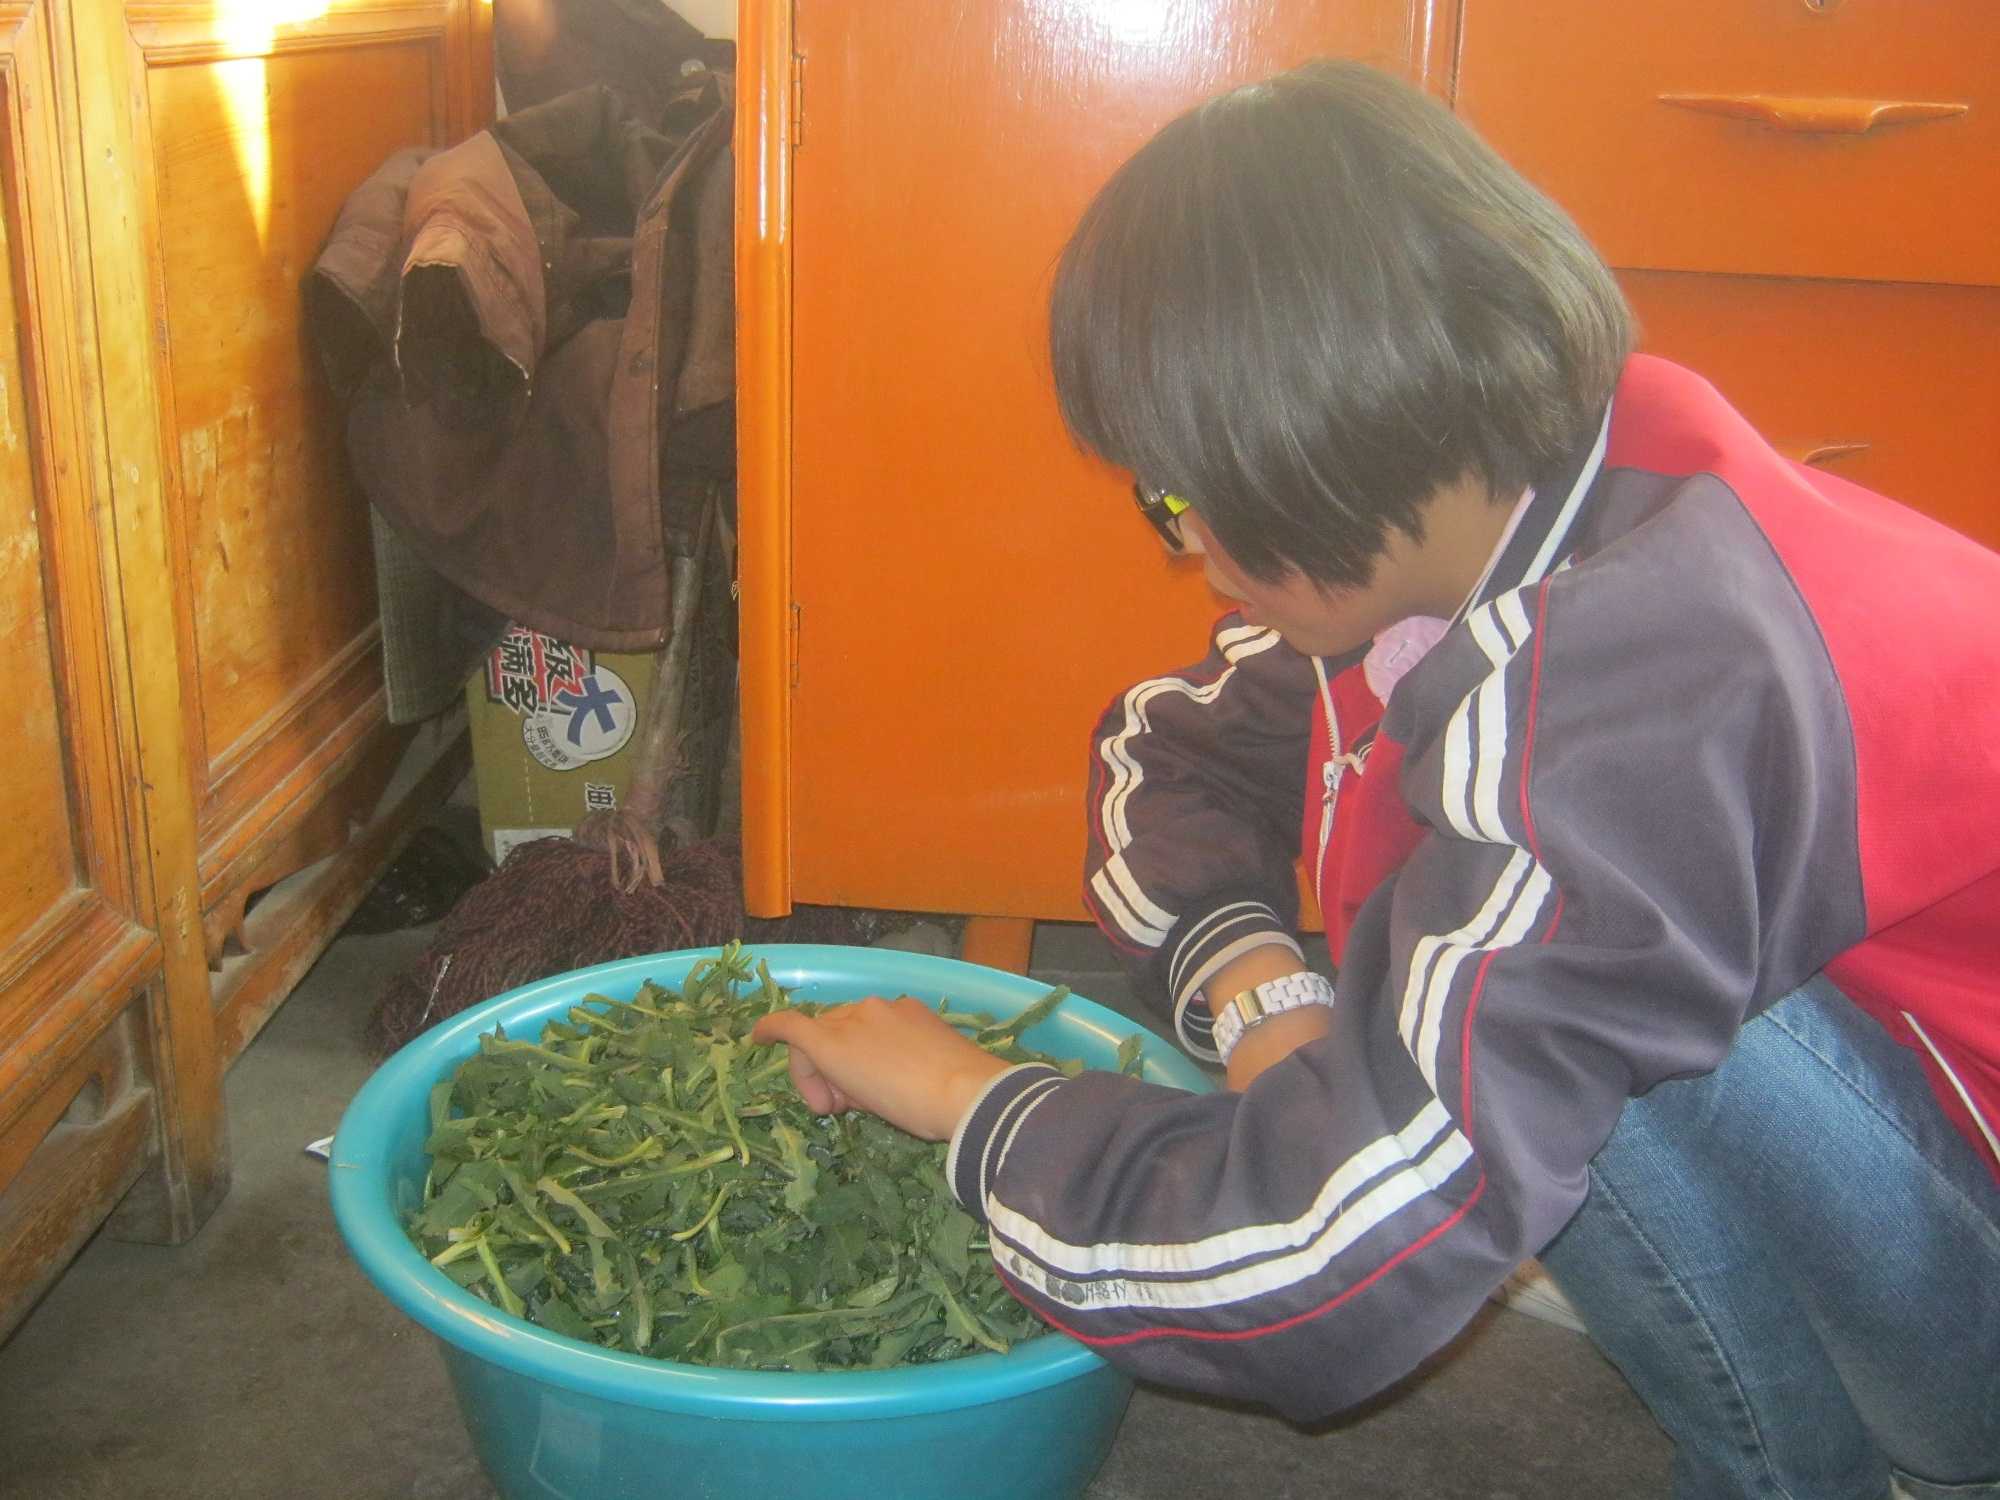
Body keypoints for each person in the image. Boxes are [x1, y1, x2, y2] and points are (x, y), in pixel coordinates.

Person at [750, 60, 2000, 1499]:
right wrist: (1258, 991)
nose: (1182, 548)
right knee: (1508, 985)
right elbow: (1171, 744)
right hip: (1907, 1184)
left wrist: (975, 1105)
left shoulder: (1645, 695)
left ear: (1327, 441)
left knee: (1533, 1000)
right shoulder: (1497, 501)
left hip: (1973, 1308)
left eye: (1192, 496)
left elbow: (1328, 1270)